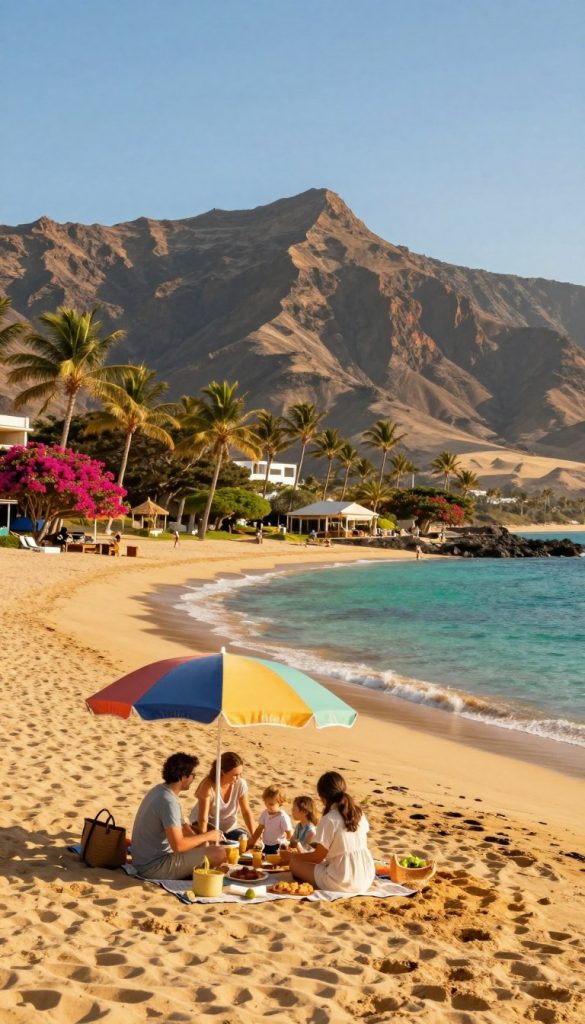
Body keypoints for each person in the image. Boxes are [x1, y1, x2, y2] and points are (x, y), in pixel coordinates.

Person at [131, 752, 224, 879]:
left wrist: (204, 844)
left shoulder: (160, 790)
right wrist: (207, 836)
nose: (193, 779)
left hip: (144, 861)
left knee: (209, 849)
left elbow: (184, 829)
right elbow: (178, 845)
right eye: (193, 775)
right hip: (153, 867)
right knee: (219, 853)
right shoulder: (168, 802)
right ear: (183, 776)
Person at [283, 771, 375, 892]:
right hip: (366, 876)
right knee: (316, 865)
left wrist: (292, 857)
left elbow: (317, 857)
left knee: (294, 865)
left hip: (342, 880)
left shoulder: (330, 818)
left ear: (322, 797)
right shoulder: (358, 812)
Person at [190, 751, 255, 841]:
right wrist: (204, 840)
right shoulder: (208, 787)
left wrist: (254, 837)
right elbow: (203, 819)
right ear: (223, 772)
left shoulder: (240, 784)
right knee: (217, 844)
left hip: (229, 828)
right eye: (235, 775)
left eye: (240, 774)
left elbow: (246, 812)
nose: (238, 778)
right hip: (205, 826)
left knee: (244, 839)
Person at [249, 785, 293, 854]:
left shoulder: (282, 817)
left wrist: (288, 847)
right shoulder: (265, 813)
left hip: (277, 846)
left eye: (271, 804)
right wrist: (252, 843)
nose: (267, 806)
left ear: (281, 803)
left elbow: (289, 833)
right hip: (265, 844)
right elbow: (259, 829)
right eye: (265, 803)